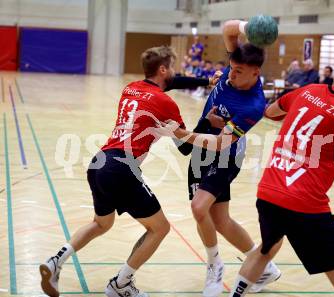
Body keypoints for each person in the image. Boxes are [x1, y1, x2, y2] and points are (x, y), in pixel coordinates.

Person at [39, 46, 220, 297]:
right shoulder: (164, 102)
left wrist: (205, 80)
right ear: (164, 69)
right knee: (160, 228)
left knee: (101, 223)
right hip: (122, 167)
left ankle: (55, 261)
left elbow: (170, 81)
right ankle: (121, 284)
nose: (176, 74)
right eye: (173, 68)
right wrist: (207, 123)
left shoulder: (131, 88)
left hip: (99, 162)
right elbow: (186, 149)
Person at [224, 55, 334, 297]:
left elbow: (271, 112)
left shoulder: (308, 90)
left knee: (267, 247)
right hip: (305, 204)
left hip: (269, 191)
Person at [159, 19, 281, 297]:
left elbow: (222, 143)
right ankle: (264, 266)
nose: (231, 76)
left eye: (238, 72)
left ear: (255, 73)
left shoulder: (253, 105)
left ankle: (215, 267)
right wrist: (250, 27)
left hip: (225, 155)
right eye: (231, 68)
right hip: (202, 147)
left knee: (200, 208)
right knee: (221, 220)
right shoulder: (232, 71)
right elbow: (228, 28)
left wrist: (182, 134)